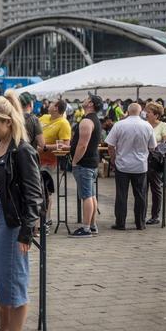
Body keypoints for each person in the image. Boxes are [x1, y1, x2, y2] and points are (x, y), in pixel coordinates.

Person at [0, 91, 42, 331]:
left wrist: (26, 232)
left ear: (8, 121)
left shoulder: (22, 150)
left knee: (14, 279)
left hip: (13, 222)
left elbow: (33, 194)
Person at [105, 103, 156, 230]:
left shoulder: (119, 125)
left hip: (122, 165)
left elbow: (110, 145)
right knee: (140, 195)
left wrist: (113, 158)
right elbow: (153, 147)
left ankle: (120, 222)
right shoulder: (147, 126)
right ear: (141, 112)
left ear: (127, 111)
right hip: (140, 165)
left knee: (121, 194)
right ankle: (140, 223)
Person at [68, 94, 103, 238]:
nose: (83, 99)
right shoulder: (93, 120)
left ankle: (86, 228)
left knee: (87, 196)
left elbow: (82, 145)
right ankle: (92, 226)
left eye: (87, 98)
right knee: (91, 195)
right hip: (91, 162)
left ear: (91, 104)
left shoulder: (87, 121)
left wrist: (75, 161)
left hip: (85, 163)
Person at [38, 99, 71, 230]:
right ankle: (43, 219)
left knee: (44, 190)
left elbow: (65, 145)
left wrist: (45, 147)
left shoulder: (63, 123)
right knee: (38, 190)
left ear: (56, 108)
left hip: (48, 162)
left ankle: (45, 220)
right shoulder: (44, 117)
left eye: (51, 103)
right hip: (35, 159)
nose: (48, 105)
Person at [144, 102, 166, 225]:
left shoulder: (163, 126)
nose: (146, 114)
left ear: (156, 115)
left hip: (155, 161)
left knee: (155, 188)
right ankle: (141, 214)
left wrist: (154, 147)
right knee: (142, 189)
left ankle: (155, 215)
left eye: (148, 112)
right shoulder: (143, 125)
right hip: (142, 159)